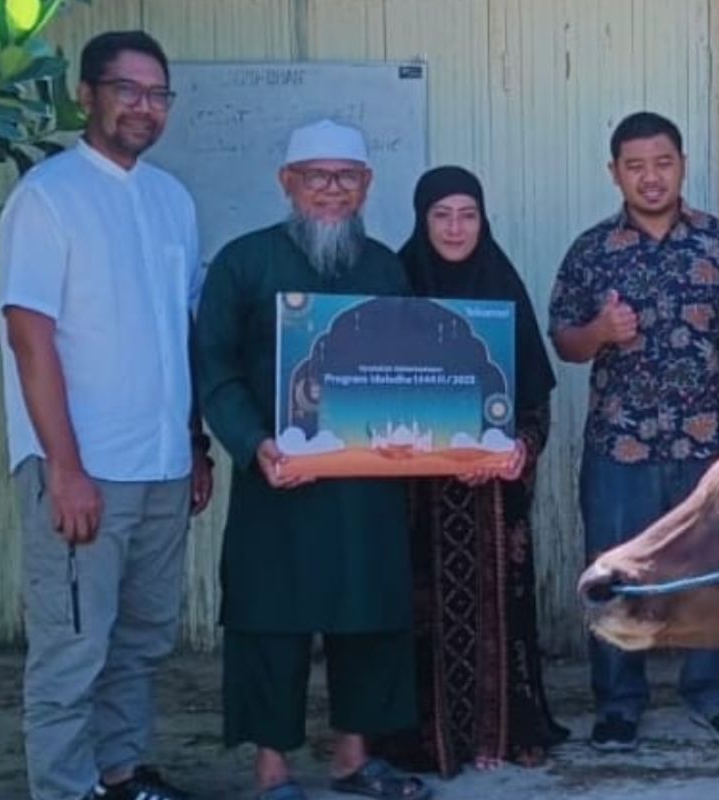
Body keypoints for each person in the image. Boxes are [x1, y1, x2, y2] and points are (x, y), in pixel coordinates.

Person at [0, 30, 213, 800]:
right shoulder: (48, 198)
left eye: (158, 94)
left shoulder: (170, 200)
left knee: (144, 639)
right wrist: (64, 468)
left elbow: (180, 333)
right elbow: (30, 338)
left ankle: (121, 773)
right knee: (72, 648)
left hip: (159, 467)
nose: (143, 108)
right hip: (83, 471)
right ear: (85, 94)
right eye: (127, 90)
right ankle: (61, 787)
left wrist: (194, 446)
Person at [195, 120, 429, 800]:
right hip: (278, 478)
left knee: (371, 612)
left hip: (366, 483)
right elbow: (215, 368)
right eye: (316, 176)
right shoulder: (244, 263)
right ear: (287, 184)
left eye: (346, 177)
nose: (332, 190)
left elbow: (412, 368)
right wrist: (252, 443)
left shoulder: (386, 267)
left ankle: (354, 758)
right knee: (271, 618)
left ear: (366, 186)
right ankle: (272, 769)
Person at [548, 111, 719, 752]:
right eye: (635, 166)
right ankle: (618, 702)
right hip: (621, 445)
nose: (650, 177)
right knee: (615, 575)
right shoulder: (592, 251)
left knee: (714, 570)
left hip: (711, 448)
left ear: (683, 165)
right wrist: (600, 334)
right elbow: (565, 342)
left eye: (662, 163)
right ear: (615, 172)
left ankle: (713, 692)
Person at [379, 165, 568, 775]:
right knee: (419, 612)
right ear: (421, 219)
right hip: (414, 493)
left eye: (468, 215)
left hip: (492, 491)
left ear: (483, 220)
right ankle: (427, 736)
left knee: (498, 610)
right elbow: (370, 389)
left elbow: (536, 397)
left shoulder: (500, 286)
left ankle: (502, 730)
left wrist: (521, 448)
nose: (455, 228)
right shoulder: (398, 284)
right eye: (442, 215)